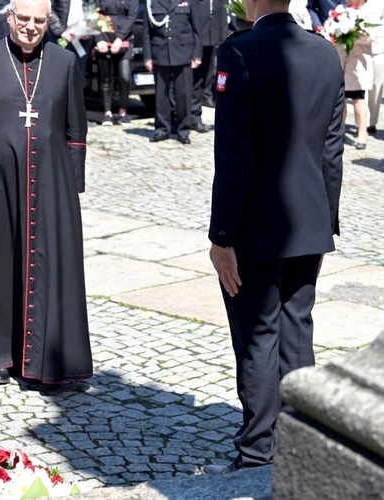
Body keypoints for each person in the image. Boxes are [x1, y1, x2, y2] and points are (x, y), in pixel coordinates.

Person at [205, 0, 343, 475]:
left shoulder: (239, 52)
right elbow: (331, 148)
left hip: (255, 230)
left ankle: (258, 452)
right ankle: (300, 442)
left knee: (258, 336)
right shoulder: (325, 53)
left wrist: (221, 236)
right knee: (297, 335)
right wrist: (327, 217)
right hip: (310, 223)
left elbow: (235, 155)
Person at [0, 0, 93, 385]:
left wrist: (71, 186)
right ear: (9, 17)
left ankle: (51, 360)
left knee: (52, 268)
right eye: (24, 18)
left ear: (49, 22)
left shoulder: (63, 64)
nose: (31, 27)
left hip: (52, 183)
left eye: (39, 20)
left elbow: (76, 130)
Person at [143, 0, 203, 144]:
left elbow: (197, 29)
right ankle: (162, 129)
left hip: (183, 52)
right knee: (161, 96)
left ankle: (183, 130)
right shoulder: (152, 2)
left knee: (183, 95)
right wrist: (147, 57)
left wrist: (197, 55)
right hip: (160, 52)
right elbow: (146, 32)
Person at [334, 0, 373, 148]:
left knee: (358, 97)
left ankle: (362, 134)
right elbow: (331, 27)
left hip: (358, 62)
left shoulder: (369, 11)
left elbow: (372, 37)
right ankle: (340, 131)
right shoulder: (341, 9)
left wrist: (355, 32)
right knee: (340, 97)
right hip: (342, 58)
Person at [93, 0, 137, 126]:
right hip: (104, 40)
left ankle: (123, 112)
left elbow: (132, 16)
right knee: (106, 79)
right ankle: (107, 114)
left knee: (125, 77)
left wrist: (120, 38)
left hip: (124, 40)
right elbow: (93, 15)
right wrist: (99, 39)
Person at [191, 0, 227, 133]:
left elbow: (222, 10)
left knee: (204, 79)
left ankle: (195, 117)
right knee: (192, 80)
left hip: (211, 37)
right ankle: (184, 116)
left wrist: (222, 36)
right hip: (195, 38)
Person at [366, 0, 384, 133]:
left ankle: (372, 121)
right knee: (360, 86)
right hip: (359, 48)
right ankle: (363, 121)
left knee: (377, 86)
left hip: (379, 47)